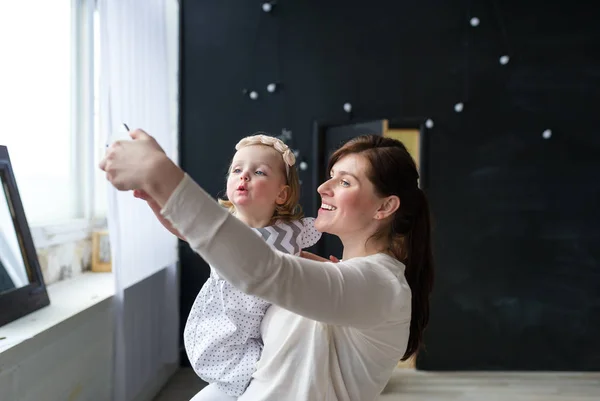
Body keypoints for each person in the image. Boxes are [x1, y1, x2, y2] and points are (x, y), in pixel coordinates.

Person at [100, 130, 434, 401]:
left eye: (345, 182)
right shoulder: (336, 274)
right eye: (331, 177)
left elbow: (262, 271)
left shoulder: (378, 285)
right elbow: (244, 254)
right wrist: (163, 202)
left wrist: (162, 175)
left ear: (385, 206)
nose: (322, 188)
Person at [134, 134, 321, 399]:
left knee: (270, 371)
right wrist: (153, 199)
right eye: (237, 170)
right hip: (221, 321)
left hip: (260, 328)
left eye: (258, 172)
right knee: (230, 372)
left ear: (282, 194)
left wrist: (333, 267)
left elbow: (300, 257)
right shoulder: (224, 225)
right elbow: (180, 226)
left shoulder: (289, 232)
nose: (244, 176)